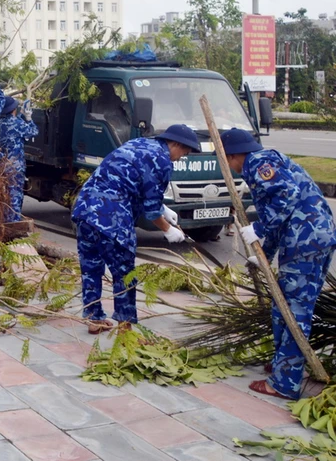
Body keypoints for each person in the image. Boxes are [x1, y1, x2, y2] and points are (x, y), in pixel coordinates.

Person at [220, 128, 336, 399]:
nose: (226, 166)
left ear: (234, 155)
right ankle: (286, 365)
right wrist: (262, 255)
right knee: (282, 305)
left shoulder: (260, 163)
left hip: (304, 242)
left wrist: (259, 227)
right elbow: (277, 214)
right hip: (310, 240)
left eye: (224, 159)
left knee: (294, 311)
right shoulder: (261, 164)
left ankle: (285, 383)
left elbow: (287, 197)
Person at [71, 124, 201, 334]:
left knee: (91, 268)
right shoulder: (162, 160)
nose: (181, 157)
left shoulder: (138, 143)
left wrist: (163, 208)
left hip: (84, 210)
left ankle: (93, 318)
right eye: (184, 152)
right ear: (175, 144)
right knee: (125, 273)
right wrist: (168, 229)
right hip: (111, 217)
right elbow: (150, 212)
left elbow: (134, 183)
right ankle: (125, 328)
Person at [0, 97, 39, 221]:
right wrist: (29, 118)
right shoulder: (16, 123)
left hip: (2, 163)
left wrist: (21, 115)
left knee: (5, 194)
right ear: (14, 109)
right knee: (15, 194)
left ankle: (3, 219)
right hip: (15, 165)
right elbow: (34, 131)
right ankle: (13, 223)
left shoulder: (1, 122)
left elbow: (14, 126)